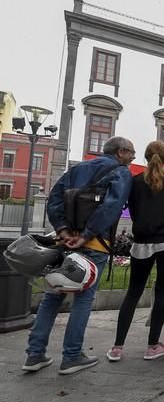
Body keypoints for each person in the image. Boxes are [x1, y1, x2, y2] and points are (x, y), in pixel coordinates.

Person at [23, 136, 135, 374]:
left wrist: (63, 230)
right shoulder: (121, 172)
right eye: (131, 153)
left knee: (52, 295)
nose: (133, 157)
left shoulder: (78, 168)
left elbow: (54, 199)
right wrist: (86, 235)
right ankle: (72, 355)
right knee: (83, 299)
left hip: (65, 242)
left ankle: (34, 354)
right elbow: (111, 207)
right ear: (121, 152)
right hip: (94, 245)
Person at [107, 141, 164, 362]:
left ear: (146, 157)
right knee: (161, 293)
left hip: (141, 242)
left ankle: (117, 347)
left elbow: (130, 208)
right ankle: (152, 346)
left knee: (133, 293)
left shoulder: (134, 182)